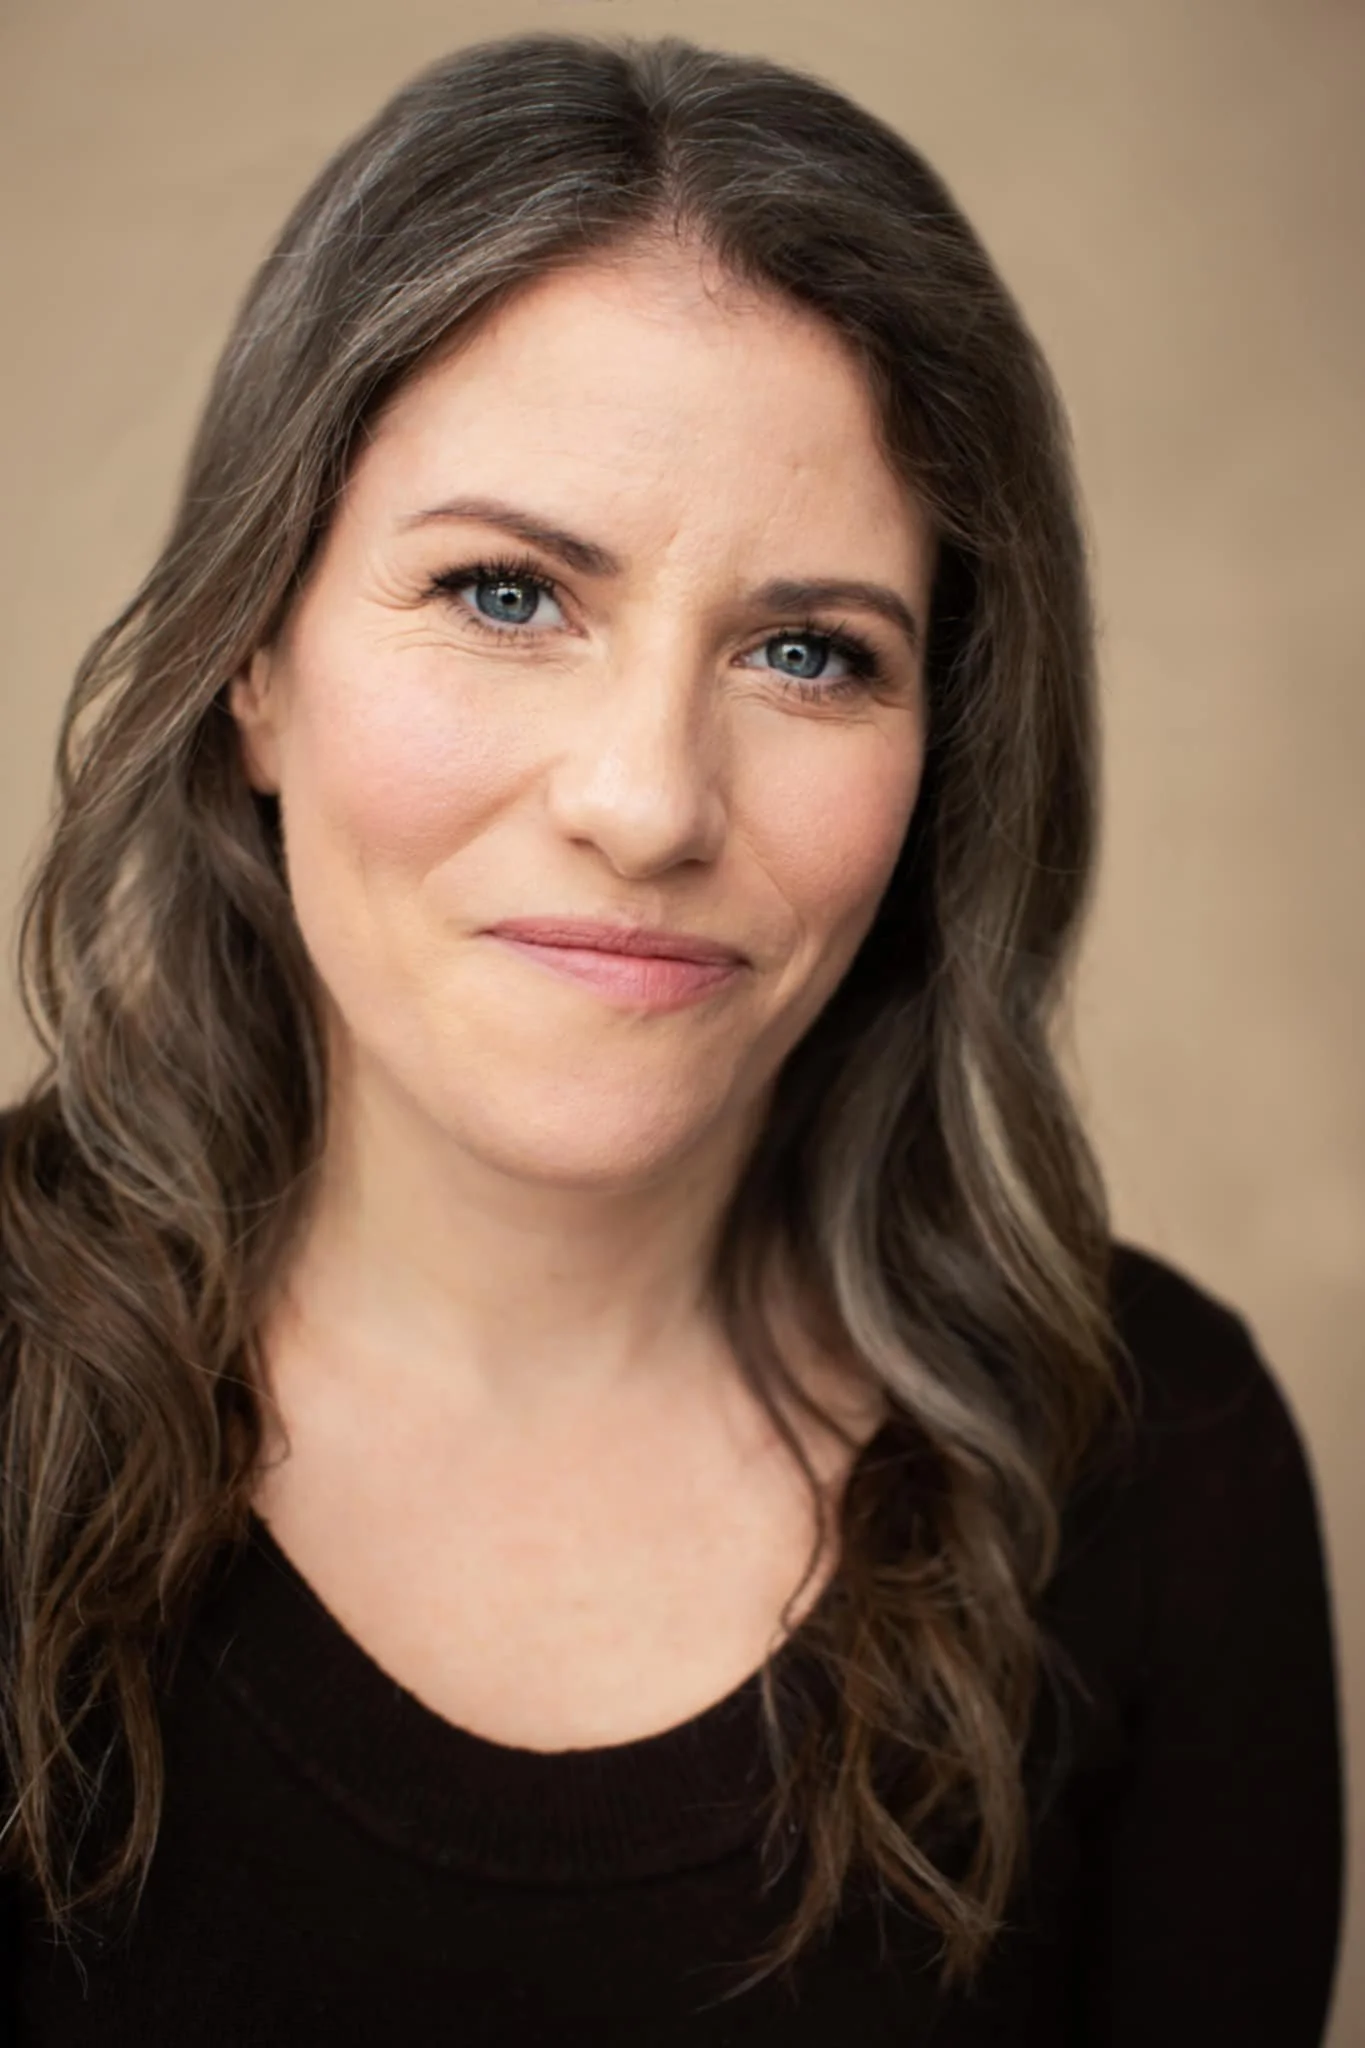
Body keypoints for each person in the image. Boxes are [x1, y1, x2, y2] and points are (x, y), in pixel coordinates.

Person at [0, 30, 1342, 2045]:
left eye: (809, 652)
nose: (646, 800)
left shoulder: (1160, 1481)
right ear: (254, 665)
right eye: (506, 592)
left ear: (940, 754)